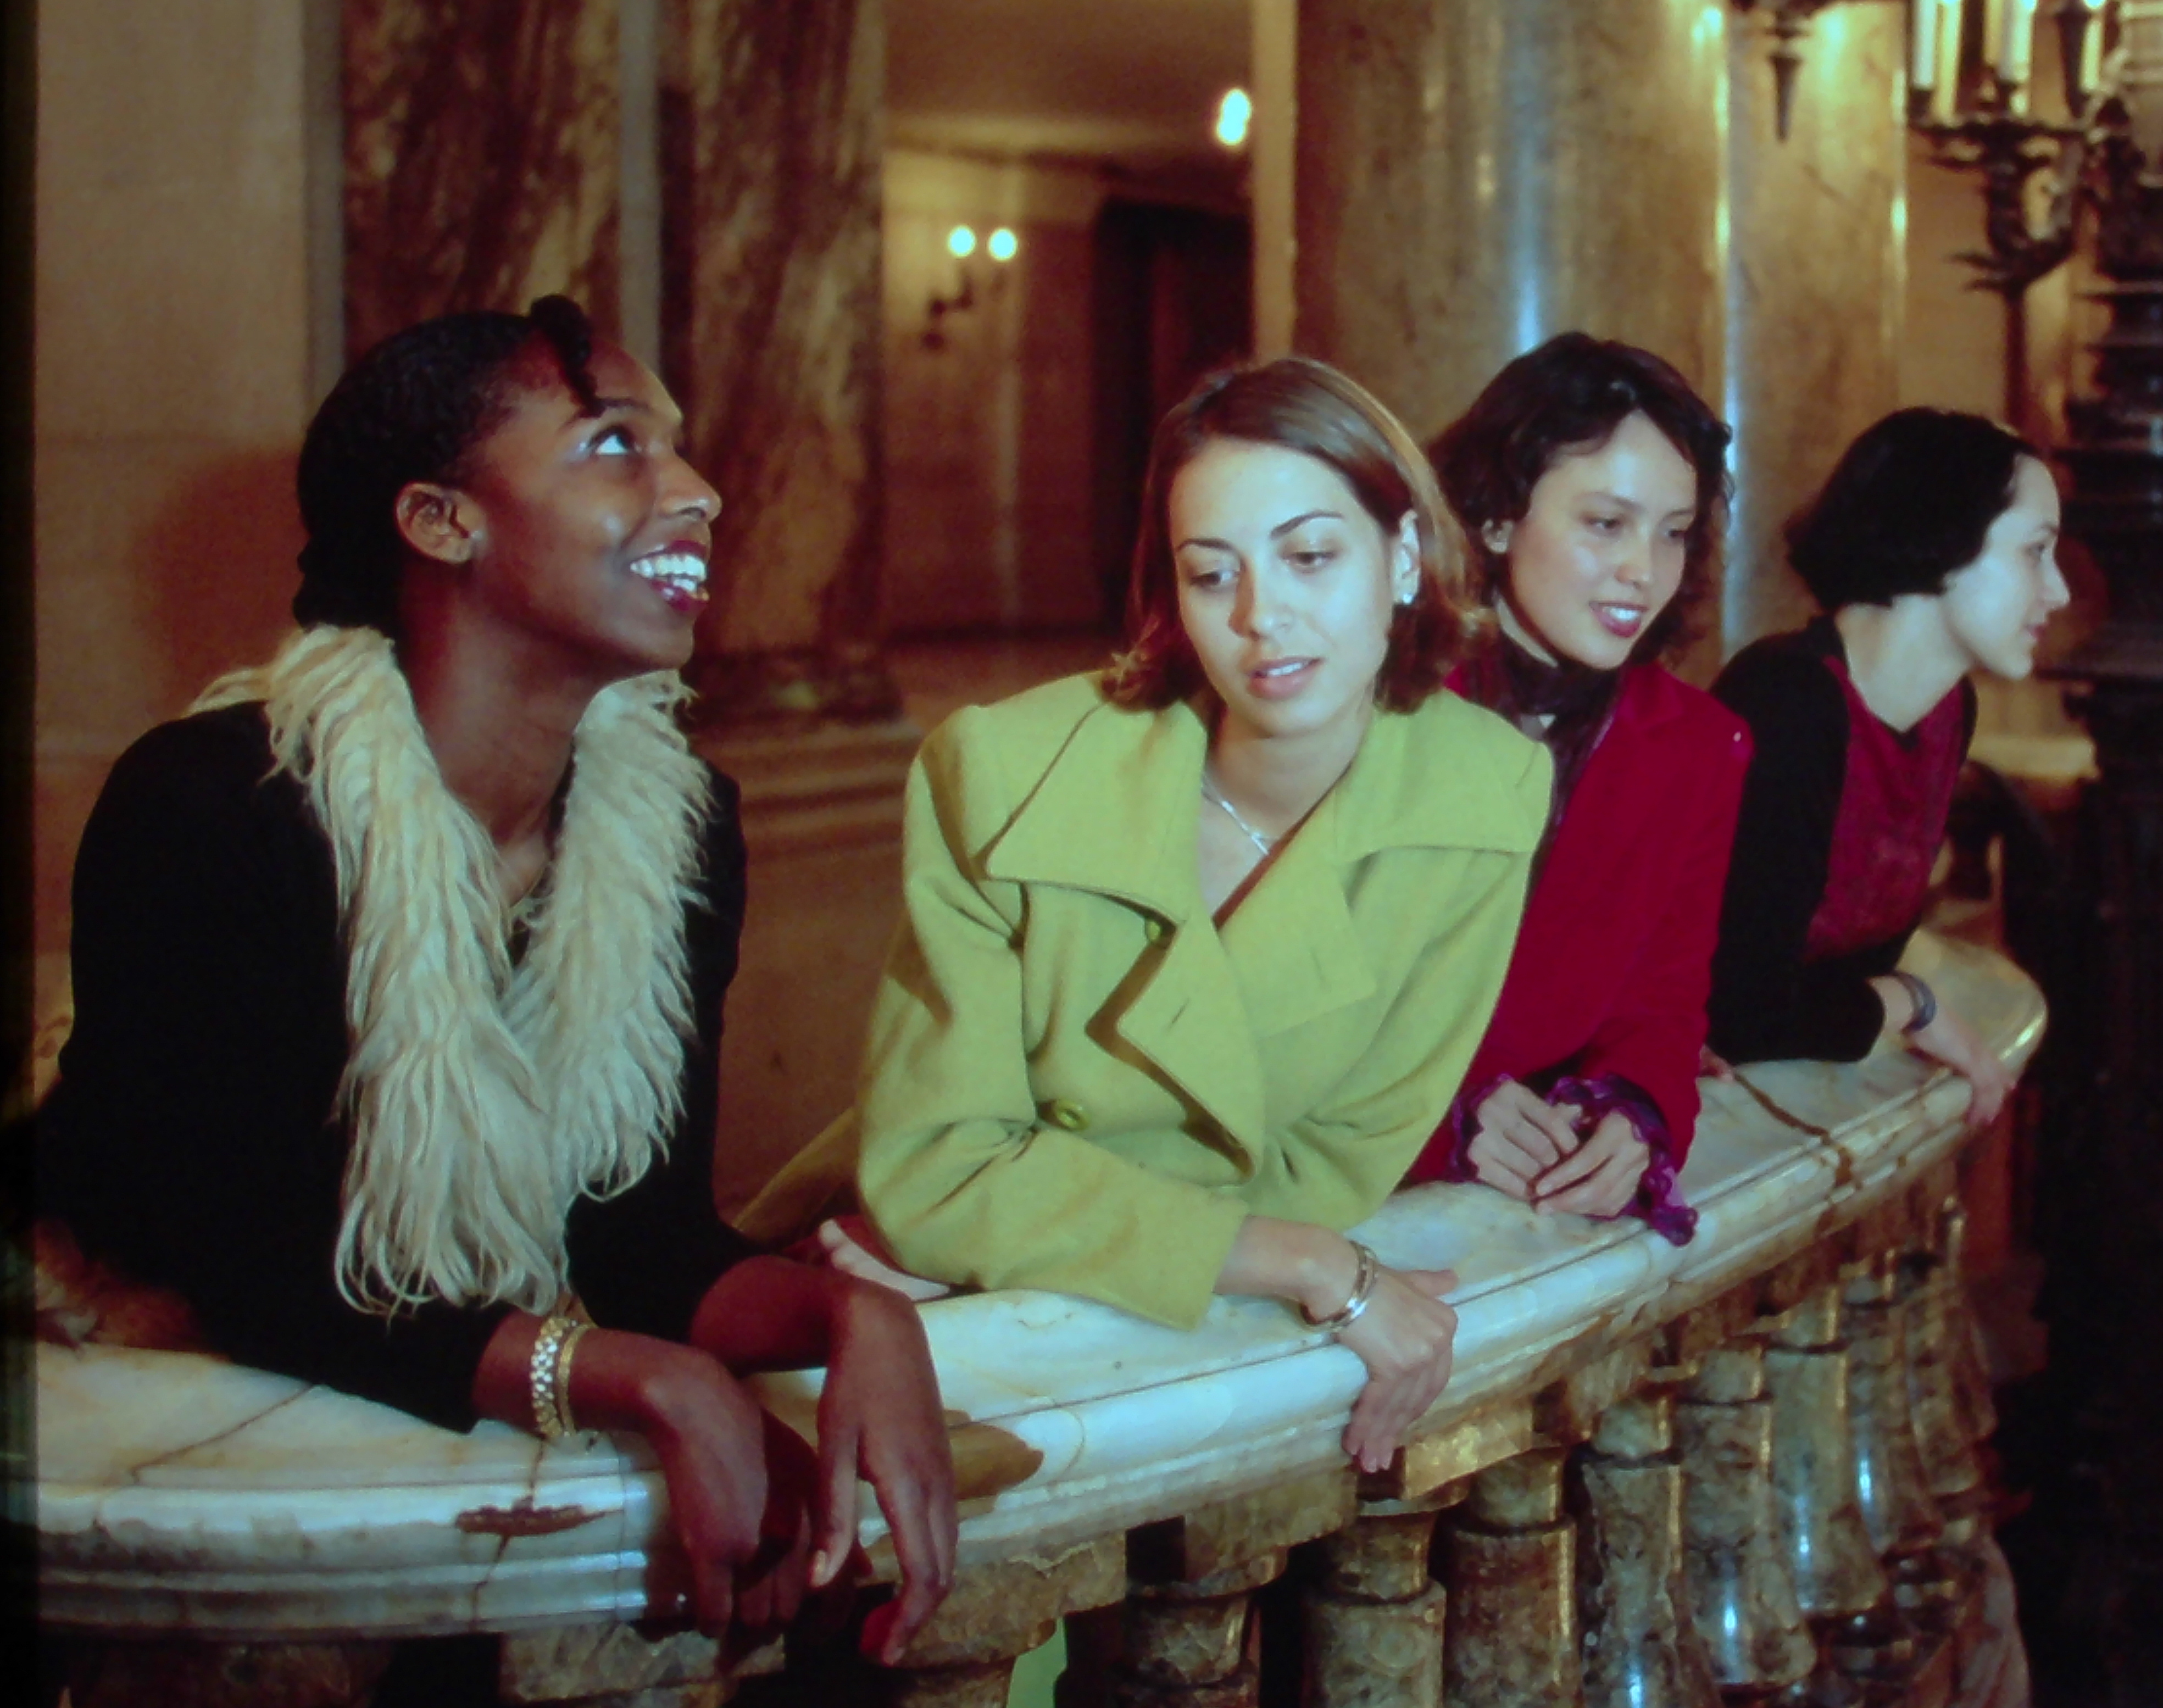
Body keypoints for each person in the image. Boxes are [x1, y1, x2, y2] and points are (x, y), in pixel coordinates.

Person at [25, 298, 958, 1666]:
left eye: (677, 447)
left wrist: (848, 1313)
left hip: (413, 1421)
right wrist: (642, 1375)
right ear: (440, 520)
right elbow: (257, 1273)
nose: (697, 491)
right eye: (615, 444)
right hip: (148, 1410)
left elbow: (637, 1238)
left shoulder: (679, 827)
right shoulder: (214, 806)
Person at [755, 358, 1550, 1477]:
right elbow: (936, 1168)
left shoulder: (1484, 795)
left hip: (986, 1286)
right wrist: (1314, 1267)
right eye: (1211, 572)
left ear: (1404, 558)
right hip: (862, 1287)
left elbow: (1336, 1167)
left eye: (1310, 557)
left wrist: (1008, 1237)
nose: (1262, 617)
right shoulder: (1002, 772)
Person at [1405, 335, 1754, 1240]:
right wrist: (1443, 1111)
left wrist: (1634, 1113)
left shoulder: (1701, 746)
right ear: (1495, 518)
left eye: (1673, 532)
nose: (1645, 570)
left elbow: (1664, 1001)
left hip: (1529, 1218)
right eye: (1606, 524)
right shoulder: (1378, 706)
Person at [1703, 409, 2066, 1122]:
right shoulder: (1787, 702)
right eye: (2035, 552)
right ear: (1940, 538)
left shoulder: (1947, 708)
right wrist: (1912, 1003)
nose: (2060, 591)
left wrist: (1886, 998)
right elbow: (1741, 1013)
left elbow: (1848, 968)